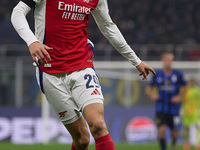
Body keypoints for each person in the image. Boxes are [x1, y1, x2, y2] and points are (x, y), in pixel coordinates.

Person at [11, 0, 156, 150]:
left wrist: (136, 61)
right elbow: (17, 12)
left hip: (82, 66)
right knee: (82, 139)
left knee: (98, 125)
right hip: (49, 71)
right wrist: (32, 42)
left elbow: (108, 27)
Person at [145, 52, 186, 150]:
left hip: (175, 108)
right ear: (162, 61)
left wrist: (179, 97)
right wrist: (152, 95)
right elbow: (148, 88)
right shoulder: (157, 74)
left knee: (175, 133)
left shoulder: (178, 74)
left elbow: (185, 87)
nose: (168, 62)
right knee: (162, 130)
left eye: (170, 59)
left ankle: (173, 146)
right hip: (161, 108)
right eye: (166, 59)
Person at [182, 78, 200, 150]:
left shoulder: (197, 90)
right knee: (186, 130)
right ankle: (186, 146)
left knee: (196, 129)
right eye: (190, 81)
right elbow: (182, 99)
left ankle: (197, 145)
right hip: (186, 112)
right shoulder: (186, 89)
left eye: (193, 81)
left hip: (195, 112)